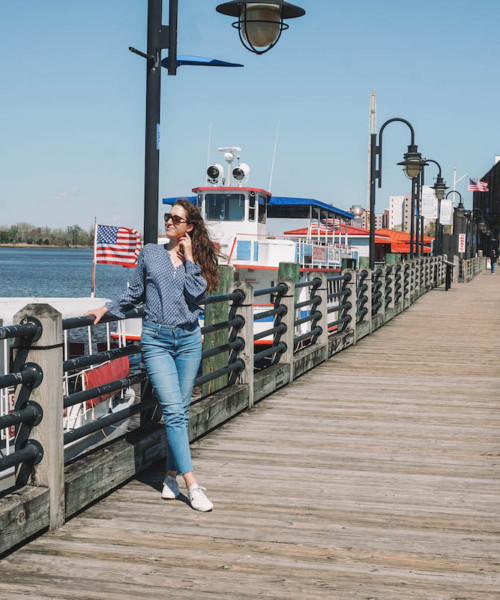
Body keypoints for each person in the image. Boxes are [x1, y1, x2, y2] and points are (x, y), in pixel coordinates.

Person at [86, 200, 219, 511]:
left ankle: (170, 476)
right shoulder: (150, 253)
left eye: (177, 218)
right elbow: (134, 293)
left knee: (180, 413)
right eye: (167, 217)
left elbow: (197, 294)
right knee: (173, 411)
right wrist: (106, 308)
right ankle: (193, 485)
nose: (169, 222)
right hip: (156, 340)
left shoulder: (197, 258)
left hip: (188, 341)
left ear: (190, 227)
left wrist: (189, 259)